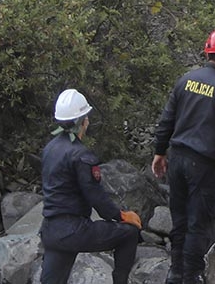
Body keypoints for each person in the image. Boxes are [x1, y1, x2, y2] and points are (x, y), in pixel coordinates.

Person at [152, 28, 215, 284]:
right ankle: (191, 275)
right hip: (204, 165)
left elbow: (167, 120)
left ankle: (175, 271)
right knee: (198, 222)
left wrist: (159, 151)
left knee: (179, 218)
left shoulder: (186, 80)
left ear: (207, 50)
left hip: (177, 158)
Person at [40, 89, 141, 284]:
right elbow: (95, 196)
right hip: (73, 230)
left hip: (51, 231)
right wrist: (120, 216)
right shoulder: (81, 155)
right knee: (129, 234)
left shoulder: (49, 148)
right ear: (83, 121)